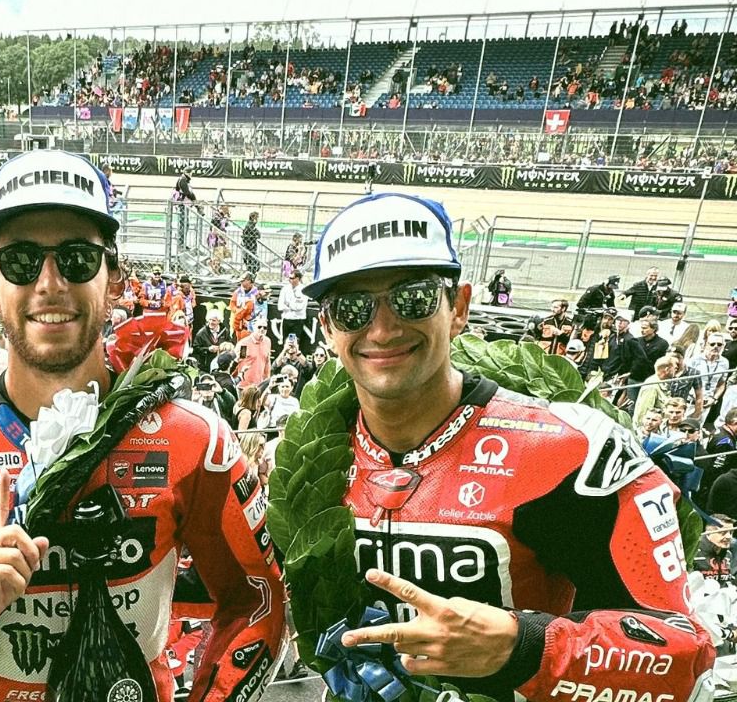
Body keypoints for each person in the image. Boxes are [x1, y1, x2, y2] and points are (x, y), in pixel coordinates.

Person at [0, 149, 285, 701]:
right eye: (21, 261)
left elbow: (259, 603)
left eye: (78, 259)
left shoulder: (198, 442)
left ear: (115, 281)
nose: (50, 283)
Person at [303, 192, 713, 700]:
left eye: (413, 298)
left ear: (458, 307)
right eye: (352, 308)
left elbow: (688, 655)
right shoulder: (310, 458)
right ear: (327, 327)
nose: (383, 329)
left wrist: (523, 647)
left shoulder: (573, 451)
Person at [277, 269, 310, 353]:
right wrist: (292, 306)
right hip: (287, 319)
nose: (290, 280)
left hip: (297, 321)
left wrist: (288, 305)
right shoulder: (285, 289)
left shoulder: (303, 290)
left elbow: (299, 307)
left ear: (298, 278)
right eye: (289, 278)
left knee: (294, 342)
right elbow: (280, 306)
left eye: (292, 278)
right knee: (285, 342)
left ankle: (293, 358)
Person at [693, 514, 733, 582]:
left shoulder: (728, 553)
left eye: (731, 532)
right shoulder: (693, 552)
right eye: (723, 532)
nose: (729, 536)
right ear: (708, 533)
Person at [234, 319, 272, 388]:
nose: (262, 329)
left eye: (265, 328)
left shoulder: (267, 341)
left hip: (260, 385)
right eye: (259, 327)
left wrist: (267, 380)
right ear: (254, 327)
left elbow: (267, 361)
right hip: (244, 386)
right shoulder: (244, 344)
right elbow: (239, 362)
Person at [192, 309, 232, 374]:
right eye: (209, 320)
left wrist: (225, 347)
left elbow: (230, 344)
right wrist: (208, 349)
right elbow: (195, 349)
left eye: (213, 320)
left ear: (219, 321)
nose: (211, 322)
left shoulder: (225, 331)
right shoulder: (201, 333)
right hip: (205, 368)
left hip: (221, 367)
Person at [241, 211, 261, 276]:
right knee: (251, 262)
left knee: (254, 262)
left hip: (251, 246)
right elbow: (256, 234)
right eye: (256, 218)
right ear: (252, 218)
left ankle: (252, 273)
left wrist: (256, 234)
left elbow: (258, 235)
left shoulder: (252, 225)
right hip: (249, 247)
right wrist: (256, 234)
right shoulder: (249, 225)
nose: (257, 220)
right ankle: (251, 274)